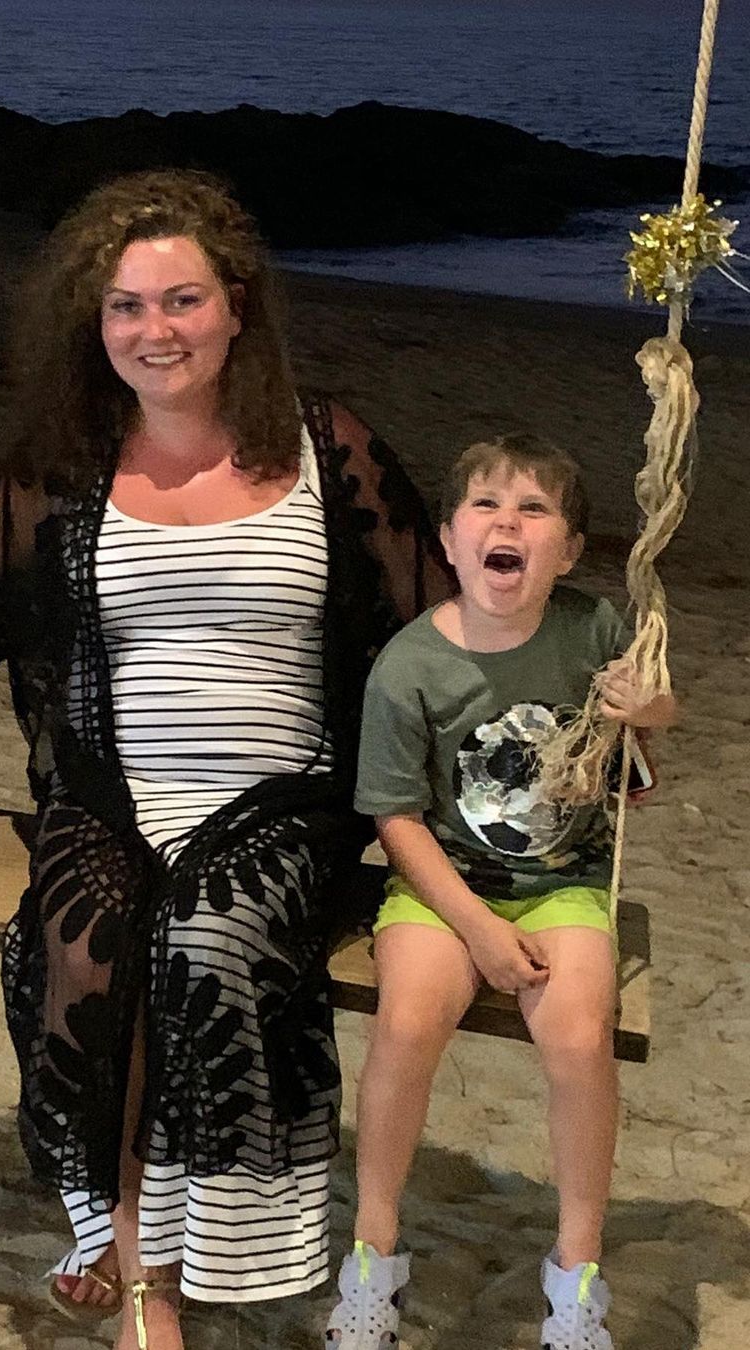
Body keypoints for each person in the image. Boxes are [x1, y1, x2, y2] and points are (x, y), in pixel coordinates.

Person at [0, 169, 453, 1350]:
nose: (154, 331)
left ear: (236, 307)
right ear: (93, 322)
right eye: (125, 306)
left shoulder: (329, 448)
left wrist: (585, 721)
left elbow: (442, 624)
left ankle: (184, 1253)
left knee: (204, 940)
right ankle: (123, 1251)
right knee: (86, 940)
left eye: (181, 301)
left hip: (285, 806)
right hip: (108, 796)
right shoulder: (62, 467)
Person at [327, 433, 677, 1350]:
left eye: (534, 510)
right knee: (407, 1023)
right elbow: (395, 820)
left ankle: (576, 1271)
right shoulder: (410, 663)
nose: (507, 523)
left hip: (561, 883)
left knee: (577, 1034)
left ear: (565, 551)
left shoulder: (594, 629)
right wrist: (476, 927)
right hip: (443, 887)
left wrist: (651, 714)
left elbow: (646, 746)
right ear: (448, 540)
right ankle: (372, 1252)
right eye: (486, 506)